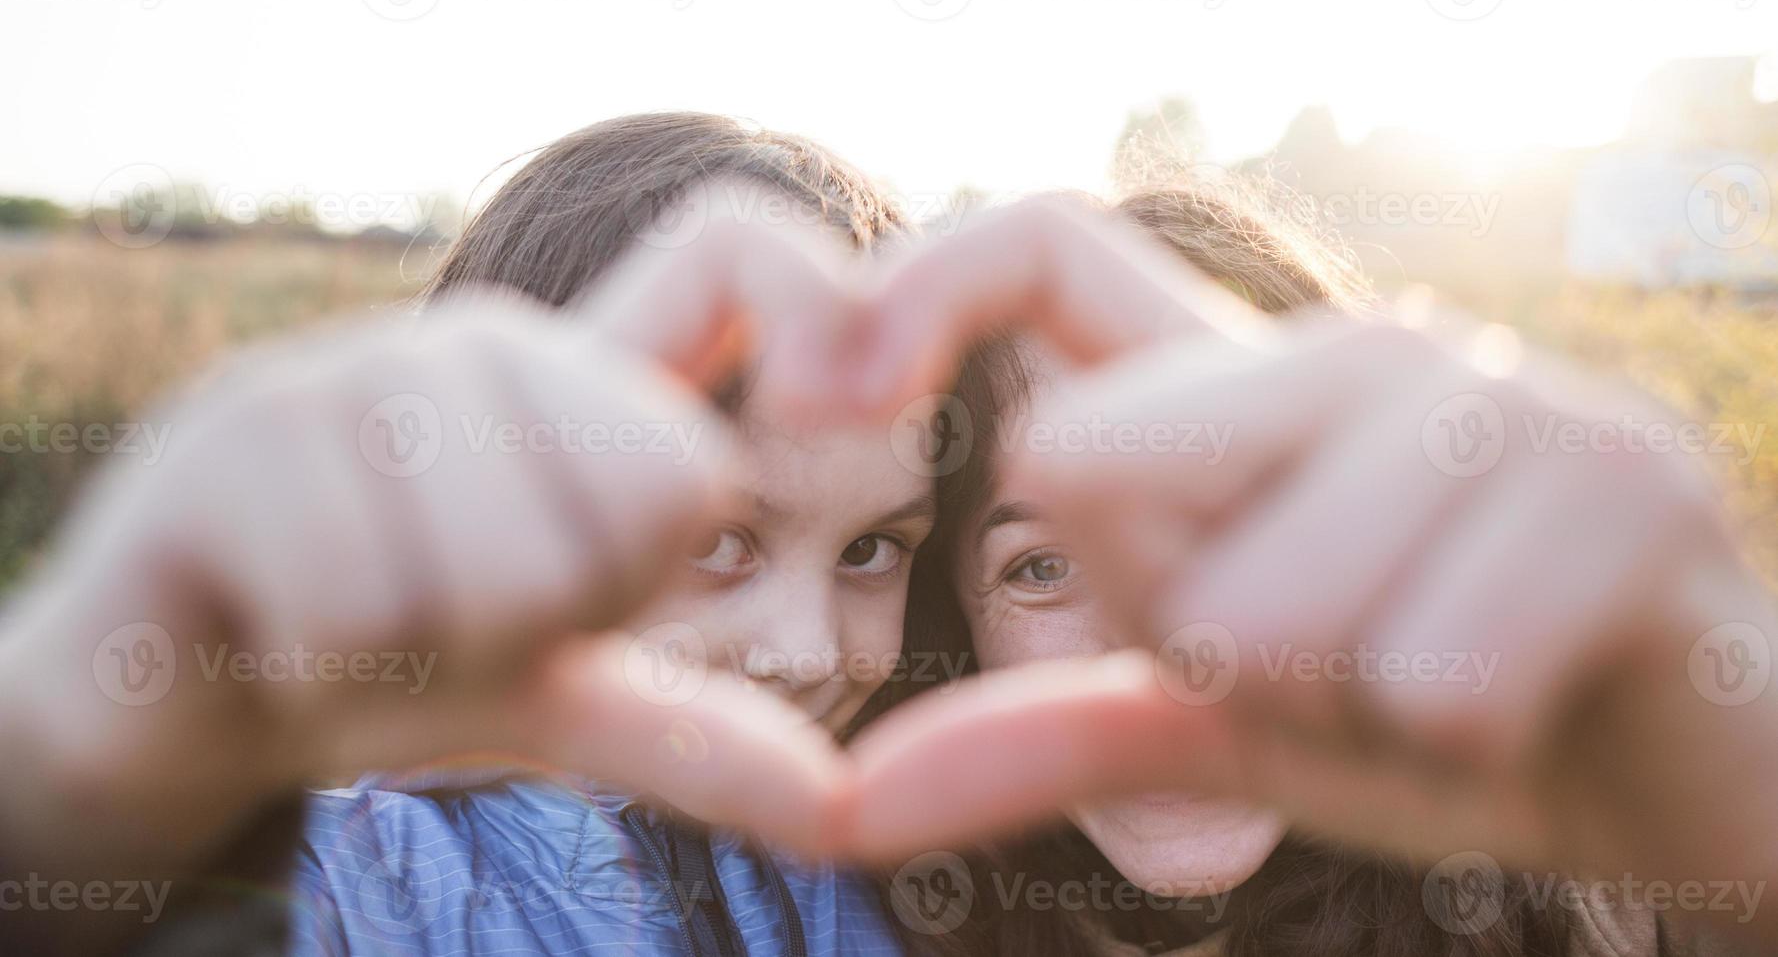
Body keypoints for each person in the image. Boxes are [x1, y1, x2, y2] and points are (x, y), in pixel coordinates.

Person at [0, 112, 957, 956]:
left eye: (871, 550)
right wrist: (65, 776)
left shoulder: (919, 862)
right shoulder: (357, 886)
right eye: (715, 540)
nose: (809, 649)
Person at [837, 186, 1778, 954]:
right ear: (959, 627)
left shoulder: (1611, 894)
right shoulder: (865, 912)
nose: (1159, 647)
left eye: (1229, 526)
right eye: (1040, 567)